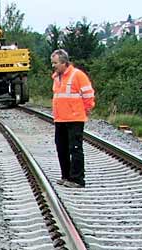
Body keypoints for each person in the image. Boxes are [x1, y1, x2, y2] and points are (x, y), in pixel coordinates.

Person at [50, 49, 95, 188]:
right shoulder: (57, 77)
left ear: (64, 62)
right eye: (52, 63)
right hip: (60, 119)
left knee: (75, 148)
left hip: (74, 119)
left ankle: (77, 179)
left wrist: (85, 110)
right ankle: (66, 176)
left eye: (55, 63)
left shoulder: (77, 75)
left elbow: (88, 95)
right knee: (61, 148)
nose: (53, 65)